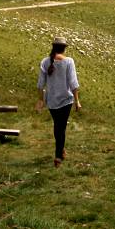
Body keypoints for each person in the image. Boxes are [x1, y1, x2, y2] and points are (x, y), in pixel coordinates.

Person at [36, 36, 81, 168]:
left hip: (52, 101)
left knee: (58, 126)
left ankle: (61, 150)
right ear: (64, 48)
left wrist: (40, 100)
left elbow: (40, 84)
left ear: (53, 47)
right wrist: (77, 101)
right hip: (66, 100)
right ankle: (58, 156)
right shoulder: (69, 61)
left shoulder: (45, 62)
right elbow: (73, 83)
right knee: (61, 128)